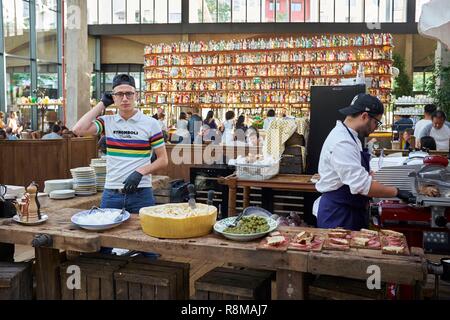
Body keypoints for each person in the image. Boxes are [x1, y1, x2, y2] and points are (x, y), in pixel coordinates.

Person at [315, 94, 415, 231]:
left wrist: (368, 175)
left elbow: (355, 175)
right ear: (364, 116)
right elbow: (361, 185)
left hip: (350, 208)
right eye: (376, 122)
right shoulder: (342, 142)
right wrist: (396, 192)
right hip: (338, 215)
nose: (376, 127)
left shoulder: (351, 136)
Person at [73, 74, 168, 215]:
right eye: (119, 94)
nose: (125, 98)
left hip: (141, 194)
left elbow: (163, 160)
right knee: (106, 234)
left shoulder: (151, 123)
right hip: (111, 194)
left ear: (136, 95)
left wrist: (140, 172)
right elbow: (78, 129)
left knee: (142, 235)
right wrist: (102, 104)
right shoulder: (107, 121)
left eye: (129, 93)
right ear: (113, 97)